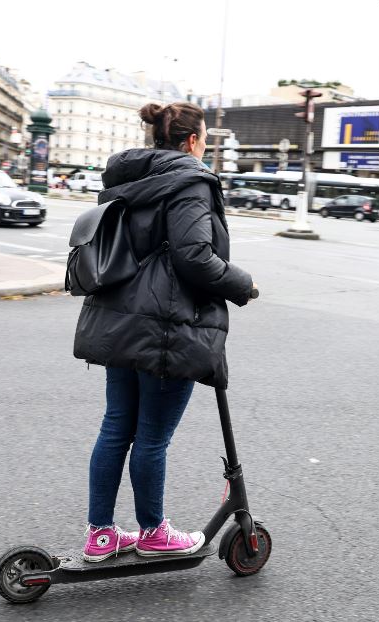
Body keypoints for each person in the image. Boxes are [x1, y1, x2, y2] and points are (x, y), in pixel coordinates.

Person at [73, 102, 256, 562]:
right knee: (152, 436)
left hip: (121, 317)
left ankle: (101, 535)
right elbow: (193, 256)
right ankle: (153, 532)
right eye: (206, 137)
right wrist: (242, 283)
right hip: (166, 325)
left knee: (116, 427)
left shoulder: (130, 177)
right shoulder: (191, 181)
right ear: (193, 141)